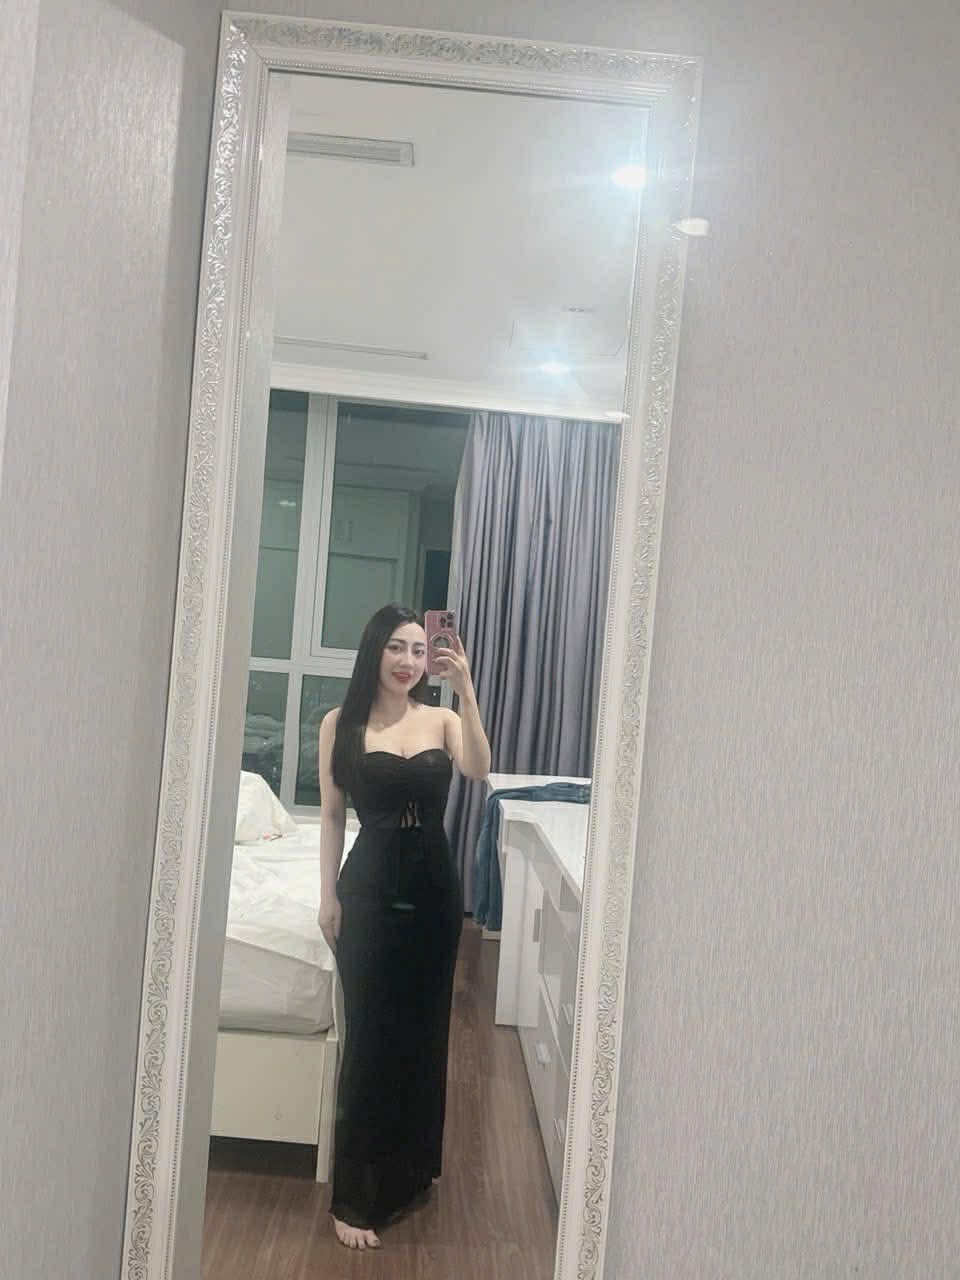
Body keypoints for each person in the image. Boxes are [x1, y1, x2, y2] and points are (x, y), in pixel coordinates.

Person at [316, 603, 491, 1250]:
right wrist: (327, 897)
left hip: (434, 893)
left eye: (419, 650)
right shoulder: (340, 724)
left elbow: (478, 768)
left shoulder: (442, 718)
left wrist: (466, 689)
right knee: (370, 1037)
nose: (409, 661)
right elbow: (332, 815)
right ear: (375, 651)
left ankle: (411, 1171)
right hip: (367, 891)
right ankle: (355, 1197)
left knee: (422, 1031)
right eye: (397, 647)